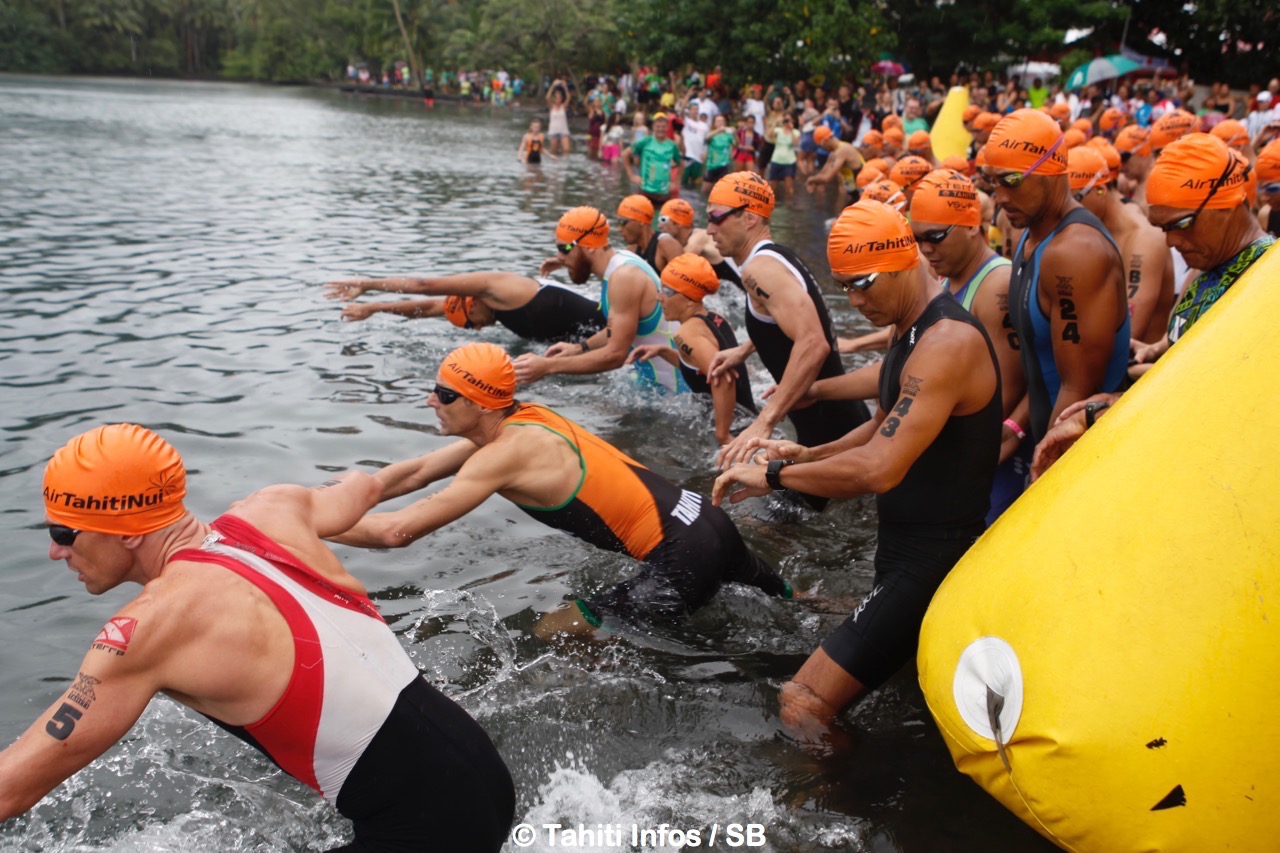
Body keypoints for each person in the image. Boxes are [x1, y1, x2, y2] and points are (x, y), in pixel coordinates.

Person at [1, 424, 514, 851]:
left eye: (64, 533)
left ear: (130, 530)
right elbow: (369, 484)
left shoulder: (148, 630)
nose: (54, 552)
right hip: (484, 773)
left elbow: (11, 791)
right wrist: (490, 435)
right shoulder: (274, 508)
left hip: (430, 832)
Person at [712, 200, 1001, 748]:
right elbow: (882, 425)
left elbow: (879, 468)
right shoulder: (908, 325)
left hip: (932, 559)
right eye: (844, 287)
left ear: (904, 260)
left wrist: (774, 476)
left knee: (802, 702)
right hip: (902, 549)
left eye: (864, 284)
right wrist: (807, 455)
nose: (855, 301)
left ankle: (852, 797)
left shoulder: (948, 341)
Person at [334, 343, 790, 634]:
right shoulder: (525, 419)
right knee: (800, 608)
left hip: (685, 556)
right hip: (708, 520)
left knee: (555, 631)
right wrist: (319, 500)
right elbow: (415, 473)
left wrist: (310, 528)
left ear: (480, 404)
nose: (430, 400)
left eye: (445, 394)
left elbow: (396, 532)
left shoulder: (504, 454)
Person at [1033, 133, 1275, 480]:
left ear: (1228, 204)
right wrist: (1153, 351)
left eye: (1182, 224)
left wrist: (1111, 407)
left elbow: (1226, 398)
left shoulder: (1266, 280)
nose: (1172, 241)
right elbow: (1190, 357)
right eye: (1163, 228)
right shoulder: (1204, 268)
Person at [705, 172, 871, 508]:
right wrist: (745, 348)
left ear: (749, 217)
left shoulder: (760, 271)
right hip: (832, 421)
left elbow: (813, 342)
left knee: (775, 528)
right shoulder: (775, 258)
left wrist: (764, 421)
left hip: (828, 431)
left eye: (716, 217)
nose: (709, 229)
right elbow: (788, 319)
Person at [982, 109, 1130, 443]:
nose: (1000, 197)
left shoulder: (1076, 252)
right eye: (992, 181)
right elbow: (1038, 363)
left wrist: (1047, 467)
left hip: (1081, 452)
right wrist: (1015, 430)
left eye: (1012, 181)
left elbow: (1078, 391)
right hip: (1042, 435)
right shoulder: (1032, 235)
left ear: (1050, 171)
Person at [515, 207, 685, 394]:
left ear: (588, 246)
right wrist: (580, 348)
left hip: (680, 393)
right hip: (657, 389)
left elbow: (615, 355)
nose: (560, 257)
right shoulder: (620, 263)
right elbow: (618, 329)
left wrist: (547, 366)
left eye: (564, 249)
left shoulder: (624, 277)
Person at [628, 254, 757, 444]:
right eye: (660, 289)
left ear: (689, 299)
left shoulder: (686, 334)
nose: (658, 297)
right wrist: (663, 351)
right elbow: (701, 367)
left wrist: (722, 434)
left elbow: (722, 378)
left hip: (737, 434)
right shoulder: (715, 318)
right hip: (750, 424)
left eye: (667, 292)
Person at [1067, 146, 1175, 345]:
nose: (1067, 210)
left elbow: (1130, 333)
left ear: (1100, 190)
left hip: (1139, 361)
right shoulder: (1090, 231)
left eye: (1074, 200)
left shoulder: (1143, 240)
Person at [324, 270, 604, 344]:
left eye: (471, 323)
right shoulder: (488, 308)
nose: (478, 328)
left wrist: (368, 284)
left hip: (616, 330)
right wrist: (374, 308)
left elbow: (424, 285)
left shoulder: (501, 288)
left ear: (472, 304)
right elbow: (428, 307)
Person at [626, 113, 683, 206]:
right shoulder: (646, 141)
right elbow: (625, 154)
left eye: (663, 126)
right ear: (653, 127)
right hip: (645, 190)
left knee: (661, 214)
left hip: (664, 192)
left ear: (667, 127)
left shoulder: (672, 145)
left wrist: (676, 182)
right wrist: (631, 175)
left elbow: (680, 163)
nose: (660, 129)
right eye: (658, 126)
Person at [805, 126, 866, 204]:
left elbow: (827, 178)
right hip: (854, 192)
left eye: (820, 145)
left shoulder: (843, 150)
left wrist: (811, 179)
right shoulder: (833, 153)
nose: (821, 149)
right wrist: (815, 182)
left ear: (826, 140)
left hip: (864, 191)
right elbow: (823, 173)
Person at [616, 194, 661, 269]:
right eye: (618, 223)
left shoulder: (665, 244)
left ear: (641, 221)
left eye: (623, 222)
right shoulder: (630, 252)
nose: (619, 229)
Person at [766, 112, 801, 197]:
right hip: (776, 160)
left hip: (789, 162)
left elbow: (795, 144)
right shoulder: (778, 130)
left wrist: (791, 129)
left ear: (793, 120)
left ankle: (789, 203)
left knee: (789, 187)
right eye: (786, 119)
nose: (787, 121)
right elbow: (768, 135)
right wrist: (776, 122)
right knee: (772, 186)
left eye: (789, 119)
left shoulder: (796, 132)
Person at [546, 80, 572, 154]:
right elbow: (547, 97)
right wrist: (553, 86)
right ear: (554, 98)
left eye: (559, 97)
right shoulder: (552, 107)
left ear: (561, 98)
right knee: (554, 151)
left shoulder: (563, 106)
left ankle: (565, 161)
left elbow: (568, 98)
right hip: (553, 130)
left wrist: (565, 87)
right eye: (556, 97)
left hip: (563, 130)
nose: (558, 98)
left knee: (567, 150)